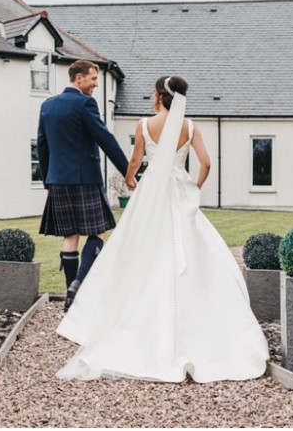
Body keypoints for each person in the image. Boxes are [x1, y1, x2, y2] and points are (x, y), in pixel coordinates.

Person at [56, 75, 269, 383]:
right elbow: (206, 162)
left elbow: (135, 160)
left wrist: (131, 179)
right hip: (180, 189)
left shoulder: (144, 125)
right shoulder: (190, 126)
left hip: (151, 192)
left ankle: (133, 318)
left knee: (140, 247)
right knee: (193, 247)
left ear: (159, 96)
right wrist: (194, 185)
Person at [37, 59, 130, 311]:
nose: (95, 85)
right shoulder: (85, 103)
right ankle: (79, 282)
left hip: (57, 180)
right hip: (85, 178)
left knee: (70, 237)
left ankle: (71, 296)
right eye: (92, 79)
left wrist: (48, 179)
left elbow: (42, 145)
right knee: (99, 230)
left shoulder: (47, 106)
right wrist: (127, 172)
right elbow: (105, 139)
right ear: (78, 78)